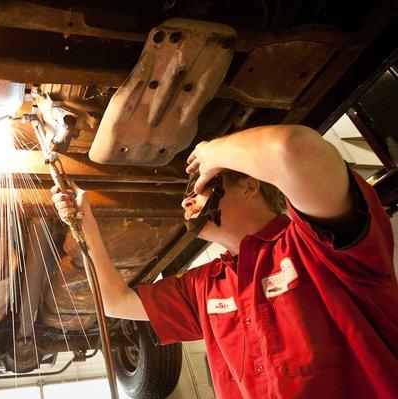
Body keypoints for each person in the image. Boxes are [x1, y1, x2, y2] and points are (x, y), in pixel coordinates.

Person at [51, 124, 398, 398]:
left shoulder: (316, 245)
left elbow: (296, 149)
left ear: (248, 186)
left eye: (197, 188)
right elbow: (115, 302)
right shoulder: (206, 285)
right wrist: (84, 223)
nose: (186, 204)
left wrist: (212, 151)